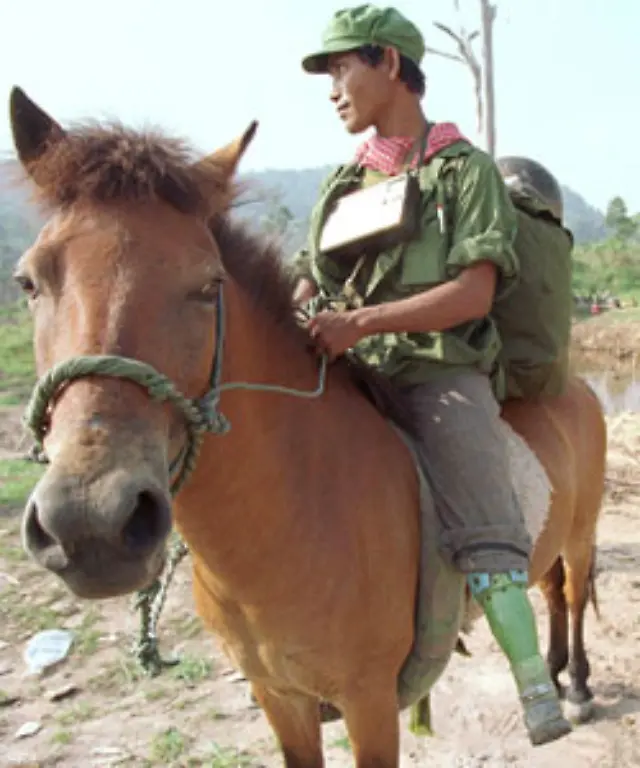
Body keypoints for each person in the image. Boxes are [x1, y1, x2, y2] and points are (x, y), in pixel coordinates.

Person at [291, 3, 572, 747]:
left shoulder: (463, 170)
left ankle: (533, 680)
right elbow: (310, 277)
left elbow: (474, 294)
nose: (332, 88)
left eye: (342, 67)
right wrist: (303, 315)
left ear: (389, 63)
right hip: (352, 370)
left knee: (484, 519)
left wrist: (364, 324)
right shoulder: (342, 183)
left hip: (438, 375)